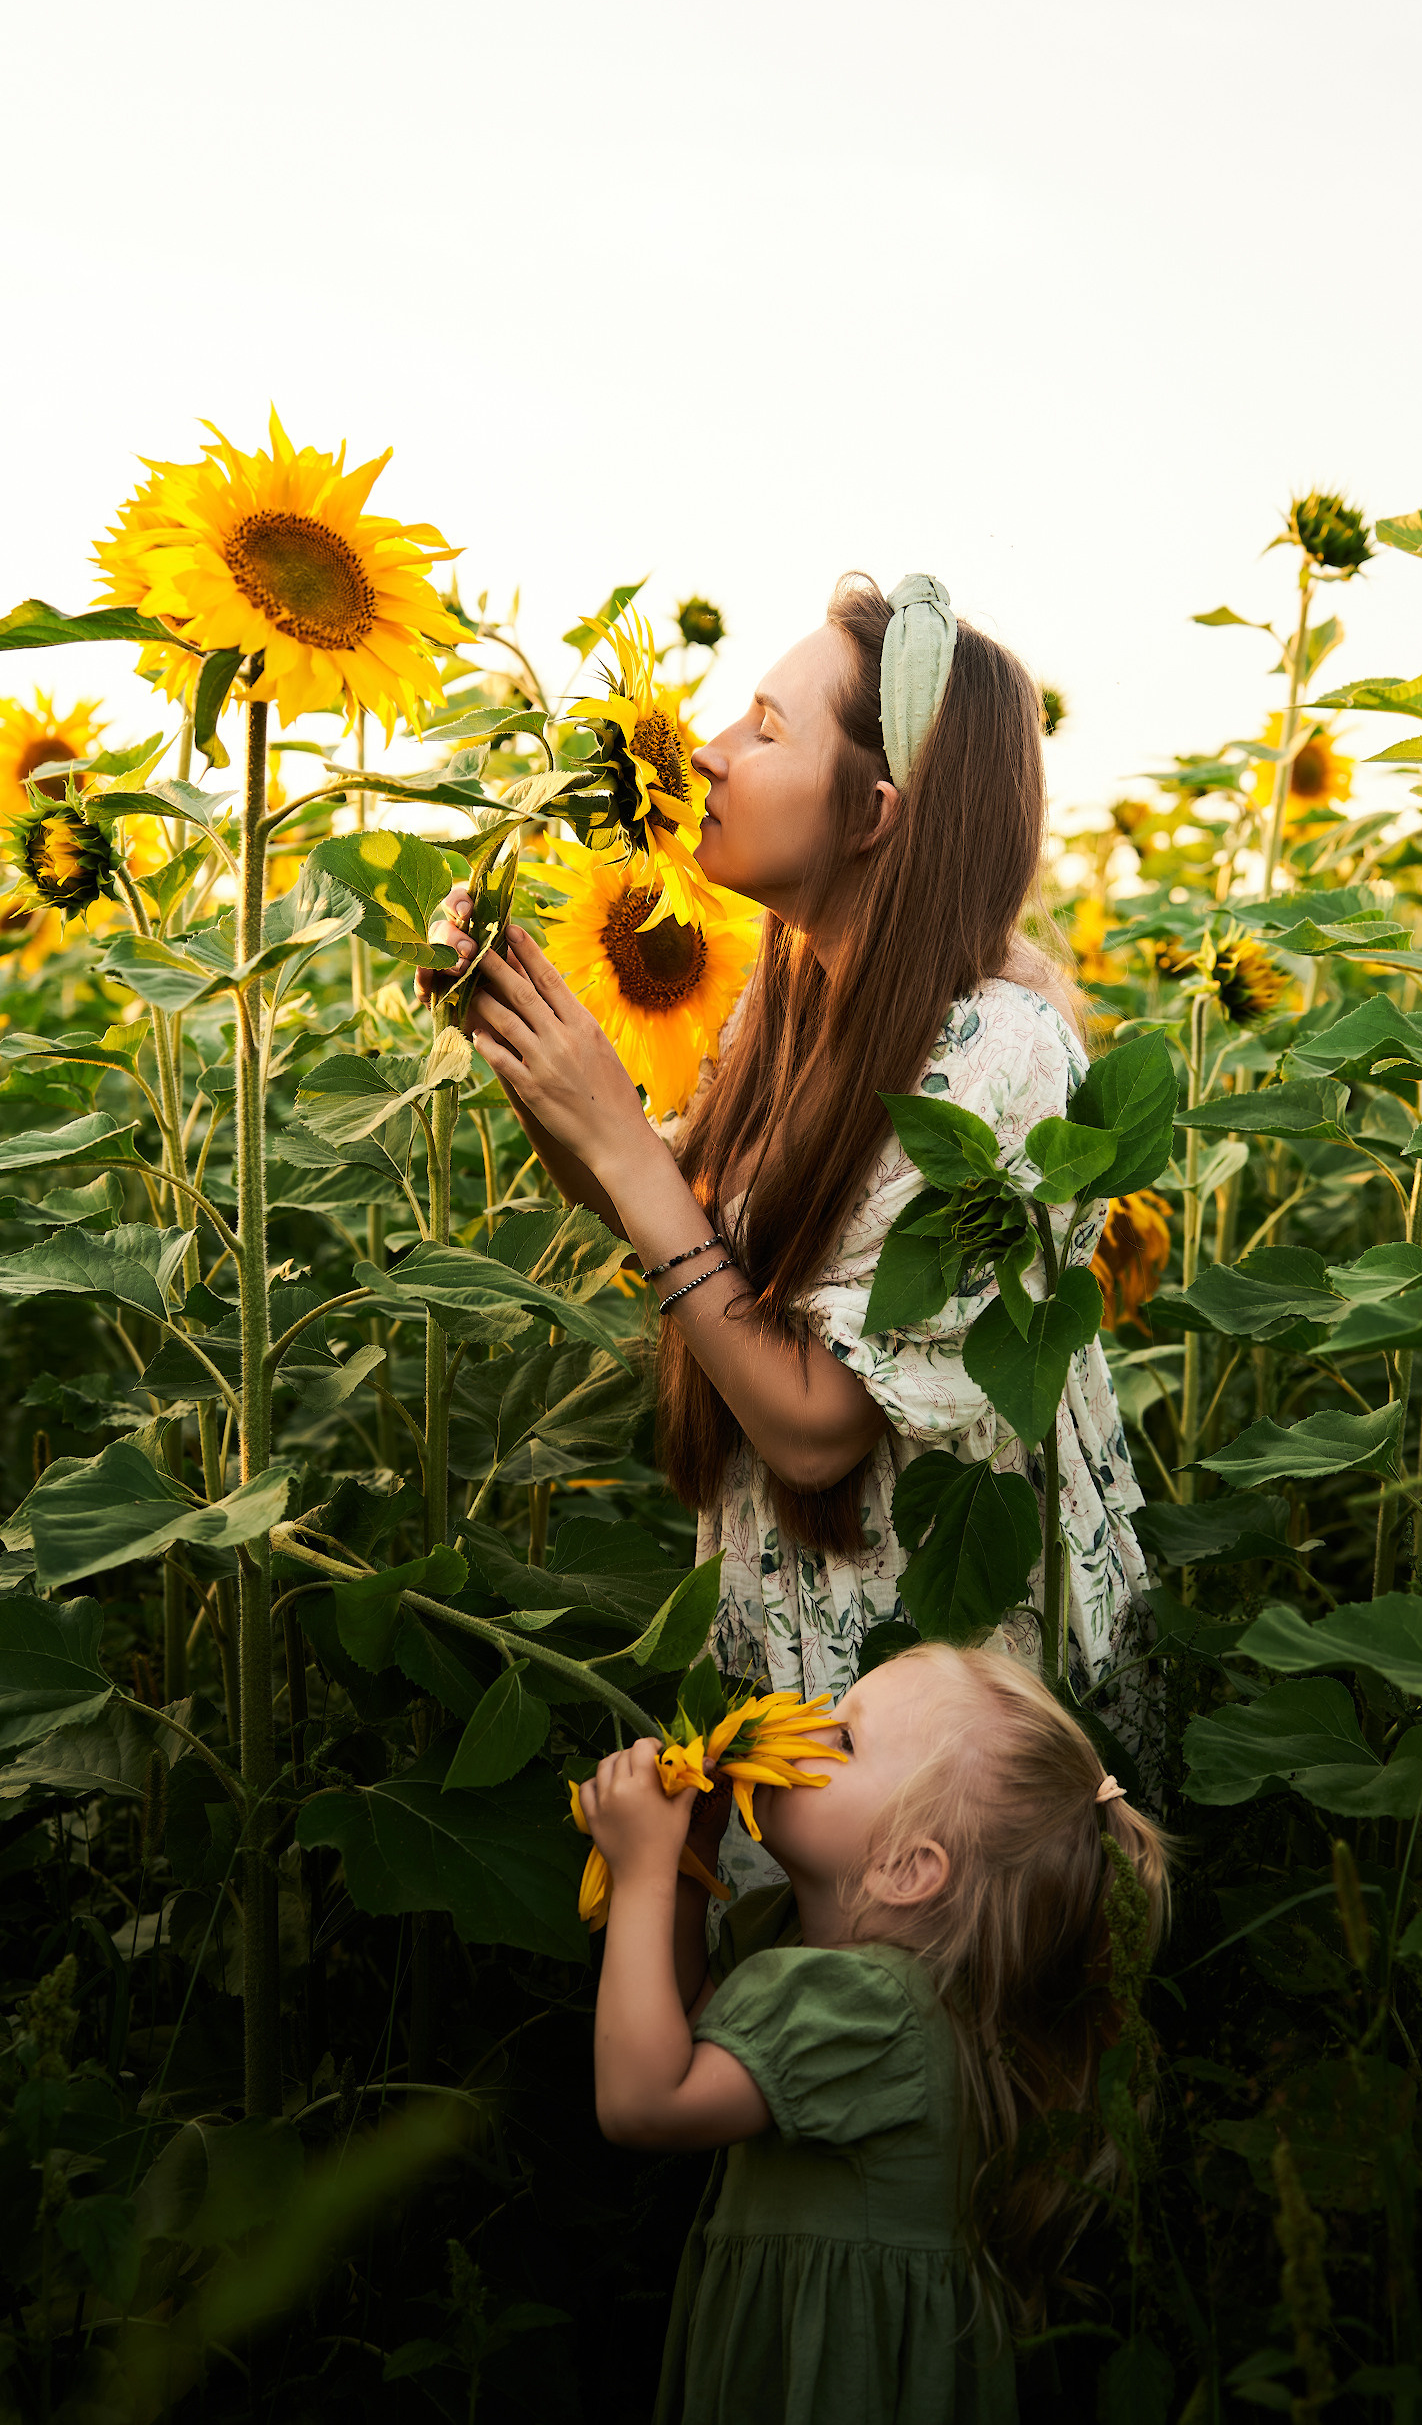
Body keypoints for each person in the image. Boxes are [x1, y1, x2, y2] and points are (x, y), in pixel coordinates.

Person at [431, 574, 1153, 1822]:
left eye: (766, 728)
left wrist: (615, 1130)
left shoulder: (998, 1048)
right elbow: (666, 1212)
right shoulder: (789, 1004)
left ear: (875, 811)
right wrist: (529, 1049)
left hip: (935, 1704)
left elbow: (821, 1423)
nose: (708, 754)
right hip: (799, 1645)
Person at [574, 1639, 1173, 2425]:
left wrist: (642, 1868)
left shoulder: (876, 2008)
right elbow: (682, 2029)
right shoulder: (792, 1937)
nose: (805, 1724)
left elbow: (646, 2098)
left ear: (906, 1869)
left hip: (845, 2376)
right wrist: (687, 1862)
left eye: (846, 1738)